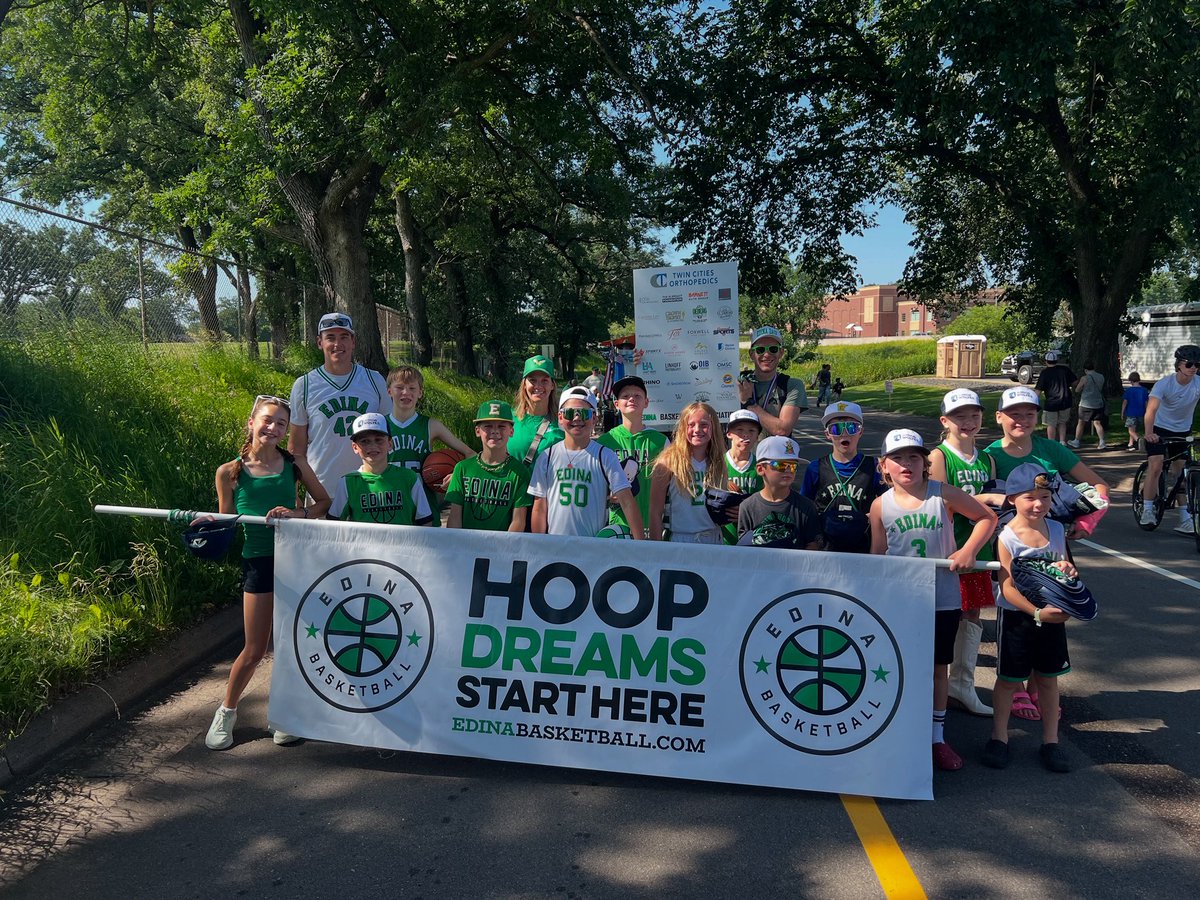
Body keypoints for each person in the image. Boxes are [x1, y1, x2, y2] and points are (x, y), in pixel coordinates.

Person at [204, 395, 331, 751]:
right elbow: (227, 522)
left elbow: (323, 503)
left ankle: (285, 715)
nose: (273, 428)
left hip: (296, 562)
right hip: (258, 562)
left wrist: (296, 513)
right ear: (251, 422)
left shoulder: (295, 465)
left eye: (281, 424)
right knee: (255, 648)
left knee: (292, 645)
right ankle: (227, 711)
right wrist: (205, 527)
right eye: (268, 420)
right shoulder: (229, 472)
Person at [870, 429, 997, 772]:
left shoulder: (942, 495)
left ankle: (936, 737)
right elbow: (878, 552)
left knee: (937, 667)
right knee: (899, 664)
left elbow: (987, 517)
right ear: (884, 466)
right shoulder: (880, 505)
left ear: (925, 463)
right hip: (901, 598)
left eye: (913, 457)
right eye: (897, 458)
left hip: (940, 594)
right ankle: (899, 729)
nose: (906, 464)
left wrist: (968, 549)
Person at [986, 385, 1109, 720]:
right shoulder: (991, 455)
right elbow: (981, 499)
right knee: (1016, 611)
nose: (1021, 420)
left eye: (1028, 414)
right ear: (1000, 418)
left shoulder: (1050, 449)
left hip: (1053, 542)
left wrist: (1086, 523)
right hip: (1013, 543)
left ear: (1038, 417)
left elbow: (1099, 486)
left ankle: (1038, 689)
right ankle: (1018, 688)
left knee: (1052, 609)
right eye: (1013, 414)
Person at [984, 463, 1076, 773]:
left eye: (1045, 497)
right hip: (1017, 617)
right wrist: (1035, 611)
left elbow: (1068, 570)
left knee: (1048, 680)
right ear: (1011, 499)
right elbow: (1007, 585)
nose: (1038, 504)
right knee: (1009, 680)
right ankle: (999, 737)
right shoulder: (1007, 536)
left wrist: (1069, 575)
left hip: (1052, 617)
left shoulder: (1058, 531)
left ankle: (1051, 741)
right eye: (1029, 497)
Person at [929, 389, 1004, 717]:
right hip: (949, 550)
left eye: (974, 415)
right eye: (960, 416)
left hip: (979, 549)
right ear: (946, 421)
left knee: (972, 615)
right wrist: (982, 503)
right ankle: (937, 683)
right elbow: (941, 501)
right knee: (945, 618)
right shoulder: (938, 457)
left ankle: (963, 682)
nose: (968, 422)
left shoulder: (987, 458)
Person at [288, 313, 389, 498]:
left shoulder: (374, 380)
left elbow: (392, 435)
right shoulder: (304, 385)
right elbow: (296, 449)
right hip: (323, 493)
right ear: (320, 342)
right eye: (330, 338)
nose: (337, 344)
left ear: (353, 341)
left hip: (371, 490)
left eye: (344, 337)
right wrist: (292, 495)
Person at [529, 386, 643, 537]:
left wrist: (641, 545)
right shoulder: (546, 457)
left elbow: (627, 502)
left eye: (584, 413)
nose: (577, 418)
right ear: (560, 418)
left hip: (592, 549)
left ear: (594, 418)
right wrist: (538, 544)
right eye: (570, 413)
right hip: (555, 546)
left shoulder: (605, 456)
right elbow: (539, 508)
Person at [385, 365, 475, 526]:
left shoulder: (431, 425)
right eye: (399, 387)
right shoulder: (379, 425)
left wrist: (457, 474)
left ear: (420, 393)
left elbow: (470, 454)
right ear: (389, 391)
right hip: (390, 506)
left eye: (412, 388)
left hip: (424, 509)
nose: (406, 392)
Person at [800, 401, 885, 554]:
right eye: (836, 429)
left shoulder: (875, 467)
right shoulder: (815, 468)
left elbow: (889, 504)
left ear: (861, 432)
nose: (844, 433)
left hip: (863, 544)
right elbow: (805, 508)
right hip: (826, 546)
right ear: (827, 434)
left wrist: (875, 514)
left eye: (852, 427)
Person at [328, 413, 433, 526]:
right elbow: (334, 525)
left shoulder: (409, 478)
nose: (372, 446)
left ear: (389, 444)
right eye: (364, 441)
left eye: (379, 440)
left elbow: (426, 523)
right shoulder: (348, 482)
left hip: (403, 543)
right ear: (355, 447)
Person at [596, 375, 668, 536]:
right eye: (625, 396)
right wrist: (607, 496)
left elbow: (671, 487)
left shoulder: (660, 441)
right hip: (618, 527)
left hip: (652, 526)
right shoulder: (604, 442)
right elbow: (596, 486)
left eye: (637, 395)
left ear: (646, 402)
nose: (631, 399)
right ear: (616, 404)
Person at [445, 400, 532, 532]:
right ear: (477, 431)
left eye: (502, 426)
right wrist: (455, 546)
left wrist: (504, 548)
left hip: (500, 547)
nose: (495, 431)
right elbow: (455, 517)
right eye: (488, 426)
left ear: (511, 431)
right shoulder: (462, 468)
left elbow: (518, 521)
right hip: (466, 547)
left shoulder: (520, 472)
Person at [649, 402, 728, 543]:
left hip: (712, 538)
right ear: (683, 428)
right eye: (691, 425)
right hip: (679, 539)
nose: (697, 430)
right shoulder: (668, 462)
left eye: (704, 425)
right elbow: (655, 512)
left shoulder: (719, 462)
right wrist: (656, 550)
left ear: (713, 427)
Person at [1140, 344, 1200, 531]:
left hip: (1182, 431)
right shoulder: (1164, 384)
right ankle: (1147, 509)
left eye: (1197, 364)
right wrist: (1149, 433)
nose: (1193, 368)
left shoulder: (1198, 383)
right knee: (1156, 466)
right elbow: (1151, 410)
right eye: (1189, 364)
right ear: (1179, 365)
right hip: (1159, 429)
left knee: (1182, 473)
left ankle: (1185, 518)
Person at [736, 435, 823, 549]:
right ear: (760, 469)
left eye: (793, 466)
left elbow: (813, 545)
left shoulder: (806, 506)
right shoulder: (747, 506)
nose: (788, 470)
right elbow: (745, 549)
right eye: (780, 465)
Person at [738, 326, 809, 437]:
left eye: (773, 349)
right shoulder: (739, 383)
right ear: (751, 354)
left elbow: (783, 430)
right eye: (760, 350)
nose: (766, 354)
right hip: (744, 454)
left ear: (781, 352)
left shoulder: (792, 385)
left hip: (777, 454)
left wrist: (749, 403)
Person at [509, 354, 565, 467]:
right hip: (517, 484)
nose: (538, 386)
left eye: (544, 380)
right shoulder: (508, 419)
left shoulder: (562, 421)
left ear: (552, 385)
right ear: (524, 384)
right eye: (532, 380)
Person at [721, 409, 764, 544]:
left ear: (757, 436)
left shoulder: (762, 467)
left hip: (752, 536)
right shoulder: (717, 464)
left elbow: (768, 502)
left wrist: (747, 510)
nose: (745, 435)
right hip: (721, 537)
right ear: (729, 434)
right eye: (739, 430)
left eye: (751, 431)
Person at [1034, 350, 1076, 444]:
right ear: (1057, 360)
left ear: (1046, 361)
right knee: (1062, 422)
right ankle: (1062, 441)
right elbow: (1075, 382)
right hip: (1065, 400)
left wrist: (1033, 401)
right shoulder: (1065, 370)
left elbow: (1038, 390)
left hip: (1051, 402)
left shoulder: (1044, 373)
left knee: (1051, 424)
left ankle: (1051, 443)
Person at [1069, 362, 1107, 450]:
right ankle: (1102, 441)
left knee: (1081, 423)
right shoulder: (1101, 376)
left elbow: (1077, 389)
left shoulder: (1085, 378)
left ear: (1085, 370)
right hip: (1098, 402)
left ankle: (1076, 441)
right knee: (1097, 423)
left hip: (1086, 403)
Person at [1120, 372, 1149, 451]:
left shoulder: (1129, 390)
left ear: (1131, 381)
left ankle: (1139, 440)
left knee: (1131, 431)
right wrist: (1147, 412)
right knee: (1134, 429)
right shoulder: (1144, 390)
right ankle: (1131, 444)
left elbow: (1125, 402)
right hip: (1141, 412)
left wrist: (1122, 412)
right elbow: (1146, 402)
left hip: (1131, 413)